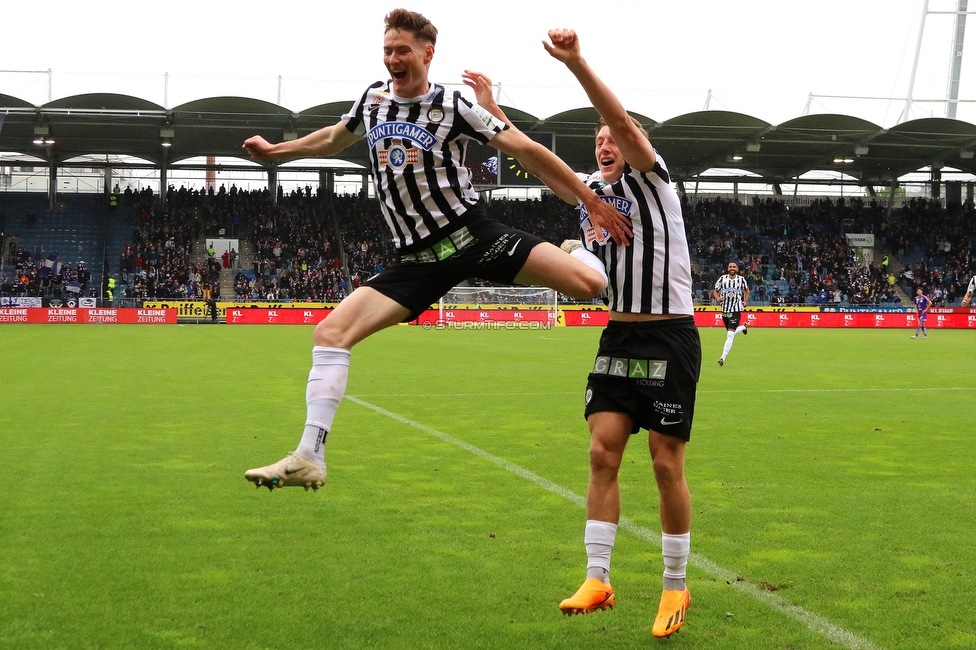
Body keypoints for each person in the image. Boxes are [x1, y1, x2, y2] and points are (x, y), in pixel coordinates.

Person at [241, 9, 629, 495]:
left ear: (427, 54)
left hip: (474, 237)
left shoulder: (454, 105)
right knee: (331, 332)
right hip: (417, 260)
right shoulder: (372, 100)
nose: (392, 59)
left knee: (590, 284)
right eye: (387, 50)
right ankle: (308, 456)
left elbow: (524, 149)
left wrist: (590, 200)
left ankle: (572, 249)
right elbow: (332, 139)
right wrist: (278, 151)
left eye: (402, 50)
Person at [467, 28, 698, 639]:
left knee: (665, 463)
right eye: (596, 140)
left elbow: (620, 120)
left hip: (669, 336)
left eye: (611, 139)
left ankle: (676, 586)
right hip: (617, 339)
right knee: (601, 453)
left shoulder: (655, 183)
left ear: (632, 145)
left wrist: (576, 64)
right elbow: (525, 152)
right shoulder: (589, 192)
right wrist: (491, 109)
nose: (604, 144)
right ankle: (599, 577)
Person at [711, 261, 750, 366]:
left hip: (736, 309)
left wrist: (745, 301)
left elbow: (747, 291)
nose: (732, 268)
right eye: (730, 266)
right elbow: (715, 291)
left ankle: (722, 358)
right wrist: (718, 298)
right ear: (727, 268)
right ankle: (743, 327)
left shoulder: (741, 280)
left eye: (734, 266)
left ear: (737, 269)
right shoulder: (722, 279)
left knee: (730, 334)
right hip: (725, 310)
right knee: (731, 332)